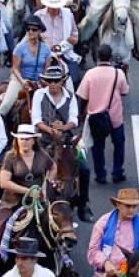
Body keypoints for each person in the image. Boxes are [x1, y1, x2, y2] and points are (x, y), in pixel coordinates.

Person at [31, 63, 92, 222]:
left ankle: (83, 204)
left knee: (84, 168)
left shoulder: (70, 96)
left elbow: (74, 119)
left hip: (66, 141)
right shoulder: (38, 95)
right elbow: (36, 120)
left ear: (62, 81)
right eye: (49, 81)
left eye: (56, 81)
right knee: (31, 167)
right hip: (43, 140)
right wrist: (51, 130)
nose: (52, 84)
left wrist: (63, 128)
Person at [0, 123, 56, 246]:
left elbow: (53, 167)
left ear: (34, 141)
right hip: (12, 201)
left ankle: (62, 257)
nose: (24, 142)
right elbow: (4, 182)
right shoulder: (10, 156)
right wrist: (28, 192)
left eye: (27, 139)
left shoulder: (42, 155)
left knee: (58, 224)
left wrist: (45, 186)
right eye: (21, 139)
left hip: (38, 200)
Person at [77, 44, 128, 185]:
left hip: (96, 117)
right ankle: (117, 172)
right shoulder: (119, 73)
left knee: (98, 146)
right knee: (118, 143)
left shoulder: (90, 74)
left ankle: (100, 174)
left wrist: (81, 115)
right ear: (111, 57)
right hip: (115, 117)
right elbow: (125, 91)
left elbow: (83, 97)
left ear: (97, 57)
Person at [0, 15, 51, 117]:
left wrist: (42, 81)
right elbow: (15, 68)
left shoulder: (46, 49)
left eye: (34, 29)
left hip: (39, 82)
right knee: (5, 106)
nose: (30, 31)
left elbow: (46, 70)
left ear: (39, 31)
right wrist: (23, 81)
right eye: (28, 29)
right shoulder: (20, 48)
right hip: (20, 80)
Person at [36, 0, 81, 86]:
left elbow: (75, 36)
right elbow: (31, 36)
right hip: (43, 53)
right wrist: (43, 41)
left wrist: (72, 40)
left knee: (75, 79)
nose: (53, 9)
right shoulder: (38, 16)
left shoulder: (68, 15)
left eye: (56, 7)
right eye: (52, 7)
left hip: (64, 52)